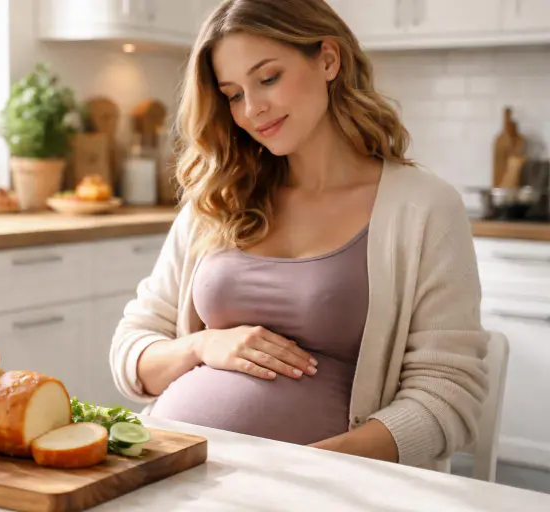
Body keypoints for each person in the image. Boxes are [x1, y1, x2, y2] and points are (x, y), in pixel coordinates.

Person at [109, 0, 489, 469]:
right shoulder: (219, 197)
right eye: (232, 94)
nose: (252, 110)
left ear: (329, 59)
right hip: (166, 473)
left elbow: (449, 397)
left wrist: (305, 470)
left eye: (268, 78)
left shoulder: (423, 208)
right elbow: (132, 349)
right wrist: (200, 345)